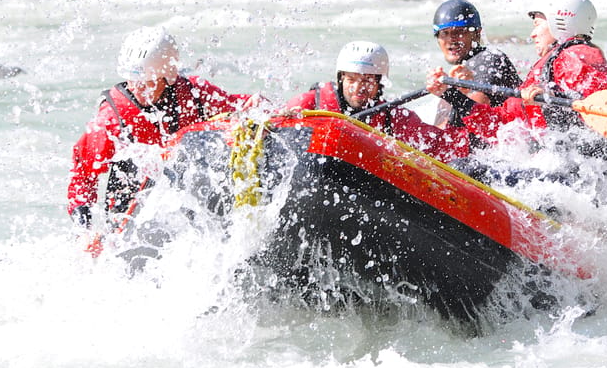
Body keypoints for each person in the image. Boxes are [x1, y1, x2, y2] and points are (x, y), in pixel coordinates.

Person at [67, 27, 263, 230]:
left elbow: (238, 106)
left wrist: (256, 106)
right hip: (132, 223)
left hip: (194, 206)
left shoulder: (194, 94)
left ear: (168, 78)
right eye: (132, 80)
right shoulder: (110, 118)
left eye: (145, 82)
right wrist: (85, 230)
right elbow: (82, 175)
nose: (137, 87)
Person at [428, 0, 607, 143]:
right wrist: (451, 95)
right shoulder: (542, 75)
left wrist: (552, 101)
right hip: (550, 162)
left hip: (578, 168)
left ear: (559, 22)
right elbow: (497, 126)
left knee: (467, 169)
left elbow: (594, 117)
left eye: (537, 24)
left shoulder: (579, 54)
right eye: (444, 34)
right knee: (467, 167)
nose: (532, 34)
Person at [285, 40, 469, 163]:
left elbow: (449, 147)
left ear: (380, 83)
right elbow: (272, 124)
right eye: (351, 80)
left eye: (367, 81)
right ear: (340, 80)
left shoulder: (394, 118)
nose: (358, 88)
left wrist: (458, 96)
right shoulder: (310, 102)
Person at [430, 0, 521, 129]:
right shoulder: (465, 67)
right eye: (445, 33)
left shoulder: (489, 60)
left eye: (459, 32)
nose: (451, 39)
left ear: (477, 33)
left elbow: (478, 118)